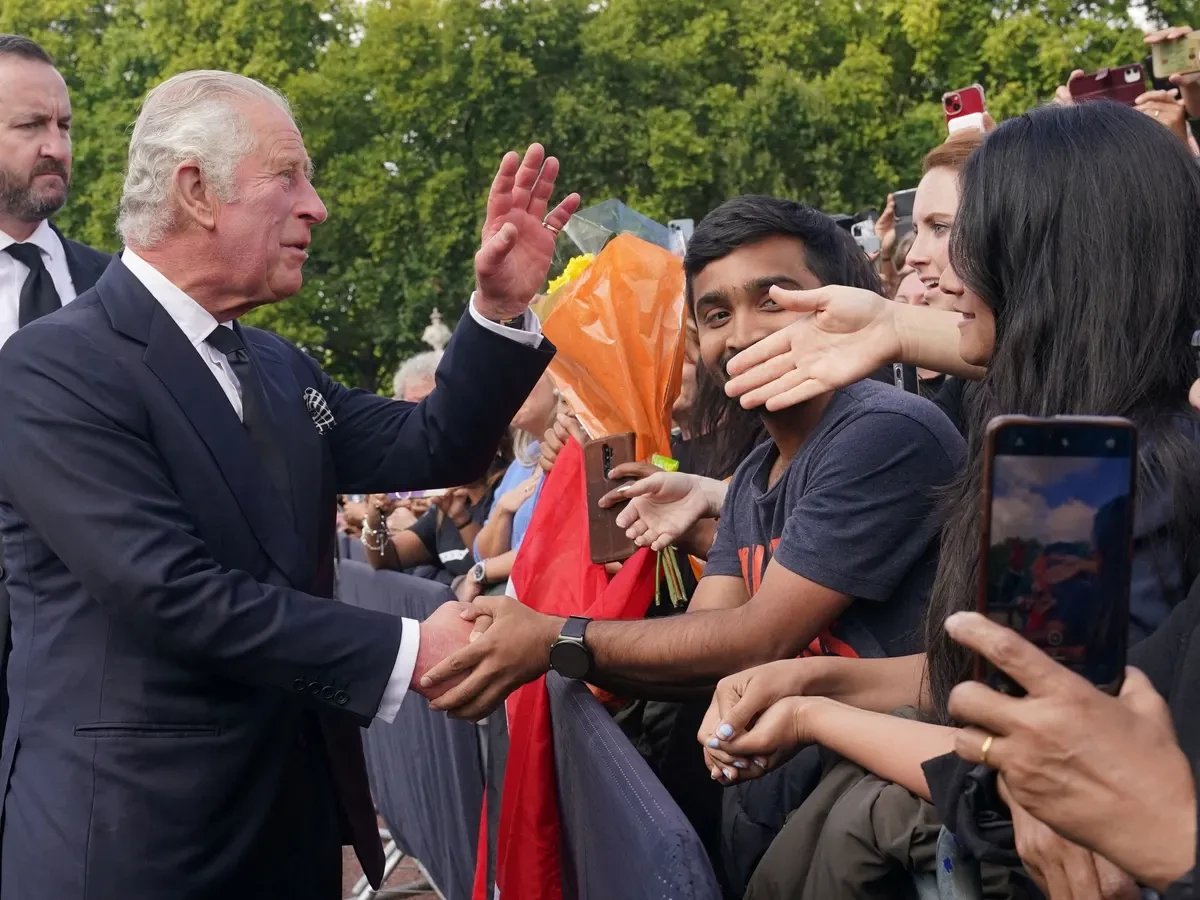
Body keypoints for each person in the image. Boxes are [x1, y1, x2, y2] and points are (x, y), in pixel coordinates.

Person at [0, 68, 579, 899]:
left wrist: (497, 309)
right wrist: (414, 649)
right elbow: (173, 594)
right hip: (136, 843)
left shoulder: (272, 362)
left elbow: (433, 441)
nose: (317, 206)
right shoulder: (54, 368)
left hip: (290, 827)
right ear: (197, 191)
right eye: (289, 176)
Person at [701, 101, 1200, 898]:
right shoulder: (1076, 454)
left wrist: (815, 713)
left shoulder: (1094, 486)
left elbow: (1020, 786)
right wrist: (813, 686)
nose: (937, 270)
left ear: (1044, 263)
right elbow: (981, 680)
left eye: (973, 236)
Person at [420, 195, 964, 725]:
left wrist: (554, 638)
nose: (743, 335)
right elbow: (707, 638)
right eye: (717, 314)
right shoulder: (758, 469)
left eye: (773, 301)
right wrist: (551, 640)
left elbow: (755, 640)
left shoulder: (883, 431)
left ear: (839, 302)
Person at [0, 33, 110, 741]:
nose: (57, 147)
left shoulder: (119, 288)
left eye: (64, 126)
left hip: (95, 660)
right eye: (30, 126)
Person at [361, 437, 513, 583]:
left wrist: (461, 519)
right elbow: (387, 558)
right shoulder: (445, 504)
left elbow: (491, 562)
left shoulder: (505, 492)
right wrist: (374, 519)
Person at [461, 371, 558, 598]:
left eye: (527, 375)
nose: (510, 389)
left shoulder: (576, 453)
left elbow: (547, 550)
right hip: (506, 594)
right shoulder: (525, 460)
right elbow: (481, 552)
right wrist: (503, 510)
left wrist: (481, 571)